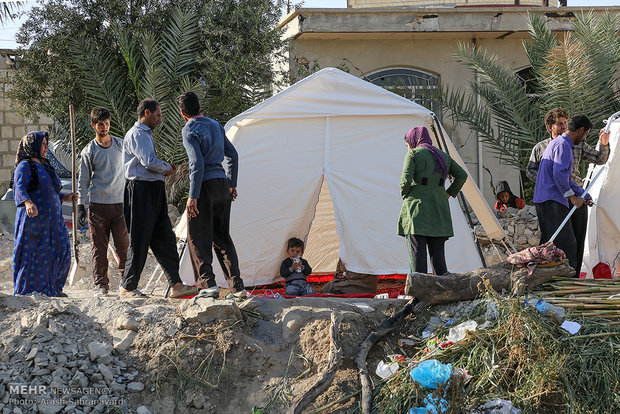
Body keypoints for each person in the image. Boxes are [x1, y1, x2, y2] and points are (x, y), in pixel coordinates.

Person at [121, 98, 197, 298]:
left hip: (153, 190)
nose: (160, 119)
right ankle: (128, 287)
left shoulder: (145, 135)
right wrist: (168, 168)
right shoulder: (137, 134)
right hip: (140, 191)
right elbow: (148, 162)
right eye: (158, 115)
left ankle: (176, 284)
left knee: (165, 237)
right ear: (146, 113)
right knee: (140, 239)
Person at [177, 91, 246, 299]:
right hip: (222, 183)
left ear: (182, 113)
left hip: (204, 186)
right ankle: (238, 287)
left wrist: (192, 196)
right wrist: (232, 183)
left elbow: (196, 165)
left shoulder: (189, 129)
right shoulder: (216, 125)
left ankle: (207, 284)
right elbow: (232, 154)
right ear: (199, 107)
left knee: (197, 236)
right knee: (223, 238)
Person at [527, 108, 610, 265]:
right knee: (564, 247)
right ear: (580, 130)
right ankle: (561, 283)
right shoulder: (560, 145)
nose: (563, 126)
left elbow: (567, 178)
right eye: (559, 124)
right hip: (553, 199)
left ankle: (570, 280)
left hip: (564, 198)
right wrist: (572, 197)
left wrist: (583, 195)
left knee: (573, 245)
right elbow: (559, 176)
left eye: (565, 123)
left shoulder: (566, 144)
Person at [12, 131, 76, 297]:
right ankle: (29, 291)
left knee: (61, 251)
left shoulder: (45, 166)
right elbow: (19, 187)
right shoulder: (25, 166)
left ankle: (52, 288)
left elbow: (50, 192)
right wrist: (27, 202)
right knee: (34, 255)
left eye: (47, 144)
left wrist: (65, 197)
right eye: (43, 144)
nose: (46, 147)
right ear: (32, 145)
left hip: (53, 221)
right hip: (34, 220)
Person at [397, 126, 467, 275]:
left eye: (407, 145)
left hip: (417, 209)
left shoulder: (413, 154)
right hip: (439, 208)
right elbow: (462, 175)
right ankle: (442, 290)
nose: (408, 148)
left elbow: (405, 181)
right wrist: (449, 193)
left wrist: (405, 194)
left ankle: (418, 292)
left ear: (413, 141)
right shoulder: (442, 156)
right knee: (438, 255)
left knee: (418, 253)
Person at [78, 107, 129, 297]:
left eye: (107, 124)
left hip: (120, 205)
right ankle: (101, 285)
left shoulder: (121, 145)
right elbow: (83, 181)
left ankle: (128, 283)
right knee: (99, 247)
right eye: (101, 124)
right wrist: (81, 206)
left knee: (124, 245)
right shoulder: (89, 151)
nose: (105, 127)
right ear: (94, 125)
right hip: (98, 206)